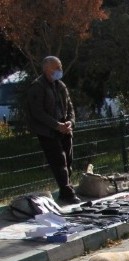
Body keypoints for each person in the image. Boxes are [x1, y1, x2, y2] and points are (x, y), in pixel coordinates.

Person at [26, 55, 79, 205]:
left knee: (68, 161)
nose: (60, 70)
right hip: (48, 132)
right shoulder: (37, 87)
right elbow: (37, 113)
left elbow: (70, 107)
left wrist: (70, 122)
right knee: (59, 162)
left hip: (65, 129)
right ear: (47, 69)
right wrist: (57, 125)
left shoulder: (60, 86)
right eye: (57, 67)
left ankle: (65, 190)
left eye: (60, 67)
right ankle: (68, 193)